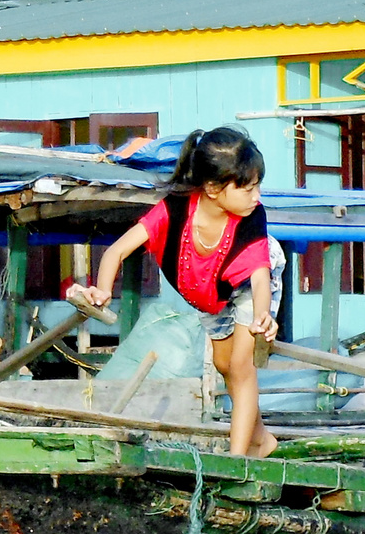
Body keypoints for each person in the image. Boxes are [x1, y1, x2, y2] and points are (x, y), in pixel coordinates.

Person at [71, 128, 284, 457]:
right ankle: (262, 440)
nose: (256, 196)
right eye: (247, 187)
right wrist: (102, 290)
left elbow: (259, 274)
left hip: (251, 281)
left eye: (258, 186)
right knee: (226, 366)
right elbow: (116, 251)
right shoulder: (174, 210)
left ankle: (238, 460)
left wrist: (262, 316)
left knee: (242, 368)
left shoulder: (253, 217)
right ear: (212, 187)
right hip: (209, 289)